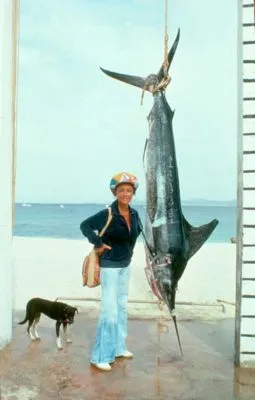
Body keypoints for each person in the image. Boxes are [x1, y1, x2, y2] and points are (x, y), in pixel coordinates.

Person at [80, 172, 142, 371]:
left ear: (133, 193)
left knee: (122, 308)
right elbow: (85, 225)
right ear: (115, 192)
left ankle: (118, 348)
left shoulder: (134, 214)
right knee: (110, 311)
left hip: (125, 265)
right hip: (109, 267)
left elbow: (138, 235)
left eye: (129, 190)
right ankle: (100, 356)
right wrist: (98, 242)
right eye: (121, 190)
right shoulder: (107, 213)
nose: (125, 194)